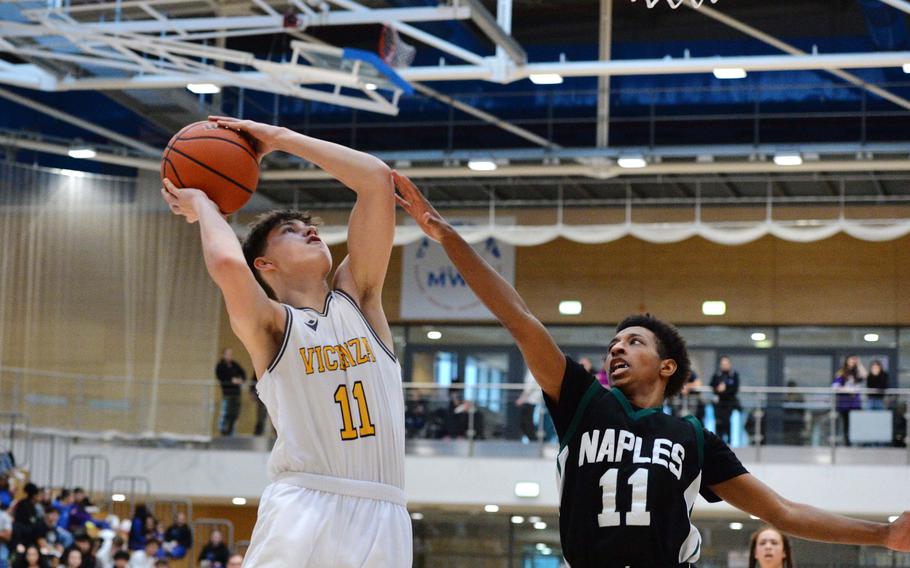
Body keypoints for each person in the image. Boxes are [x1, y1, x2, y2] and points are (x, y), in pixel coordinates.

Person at [393, 171, 910, 567]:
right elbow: (517, 317)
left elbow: (784, 514)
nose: (616, 349)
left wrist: (883, 534)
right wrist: (447, 236)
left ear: (667, 366)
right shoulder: (583, 401)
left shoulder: (694, 438)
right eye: (613, 342)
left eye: (633, 342)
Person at [161, 116, 411, 567]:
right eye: (290, 232)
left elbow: (375, 179)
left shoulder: (360, 297)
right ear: (265, 265)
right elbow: (225, 262)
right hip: (305, 506)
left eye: (310, 226)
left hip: (385, 512)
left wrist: (280, 139)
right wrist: (203, 204)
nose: (310, 231)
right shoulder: (272, 324)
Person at [833, 354, 864, 446]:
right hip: (845, 404)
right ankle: (847, 443)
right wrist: (848, 390)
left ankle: (858, 443)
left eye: (853, 361)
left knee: (856, 424)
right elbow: (835, 387)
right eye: (850, 360)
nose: (852, 363)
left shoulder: (856, 372)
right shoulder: (841, 372)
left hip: (855, 403)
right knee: (846, 424)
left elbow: (865, 376)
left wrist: (859, 364)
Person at [214, 349, 246, 436]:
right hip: (227, 392)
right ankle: (223, 431)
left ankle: (231, 430)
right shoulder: (220, 366)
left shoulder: (234, 364)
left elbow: (243, 373)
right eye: (228, 354)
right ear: (223, 355)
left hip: (236, 392)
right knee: (225, 412)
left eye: (230, 354)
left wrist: (240, 380)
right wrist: (231, 380)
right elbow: (221, 376)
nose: (229, 356)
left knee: (234, 413)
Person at [711, 356, 741, 444]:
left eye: (726, 364)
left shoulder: (734, 375)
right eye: (722, 364)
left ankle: (729, 441)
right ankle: (718, 442)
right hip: (719, 404)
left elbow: (735, 389)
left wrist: (725, 390)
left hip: (729, 403)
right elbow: (712, 385)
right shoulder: (717, 375)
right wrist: (718, 389)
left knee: (727, 422)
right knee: (718, 423)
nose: (724, 366)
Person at [515, 368, 543, 442]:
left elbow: (529, 387)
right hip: (531, 400)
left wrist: (522, 398)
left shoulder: (533, 369)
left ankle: (534, 441)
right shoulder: (533, 369)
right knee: (526, 423)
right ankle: (533, 441)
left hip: (531, 400)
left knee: (526, 423)